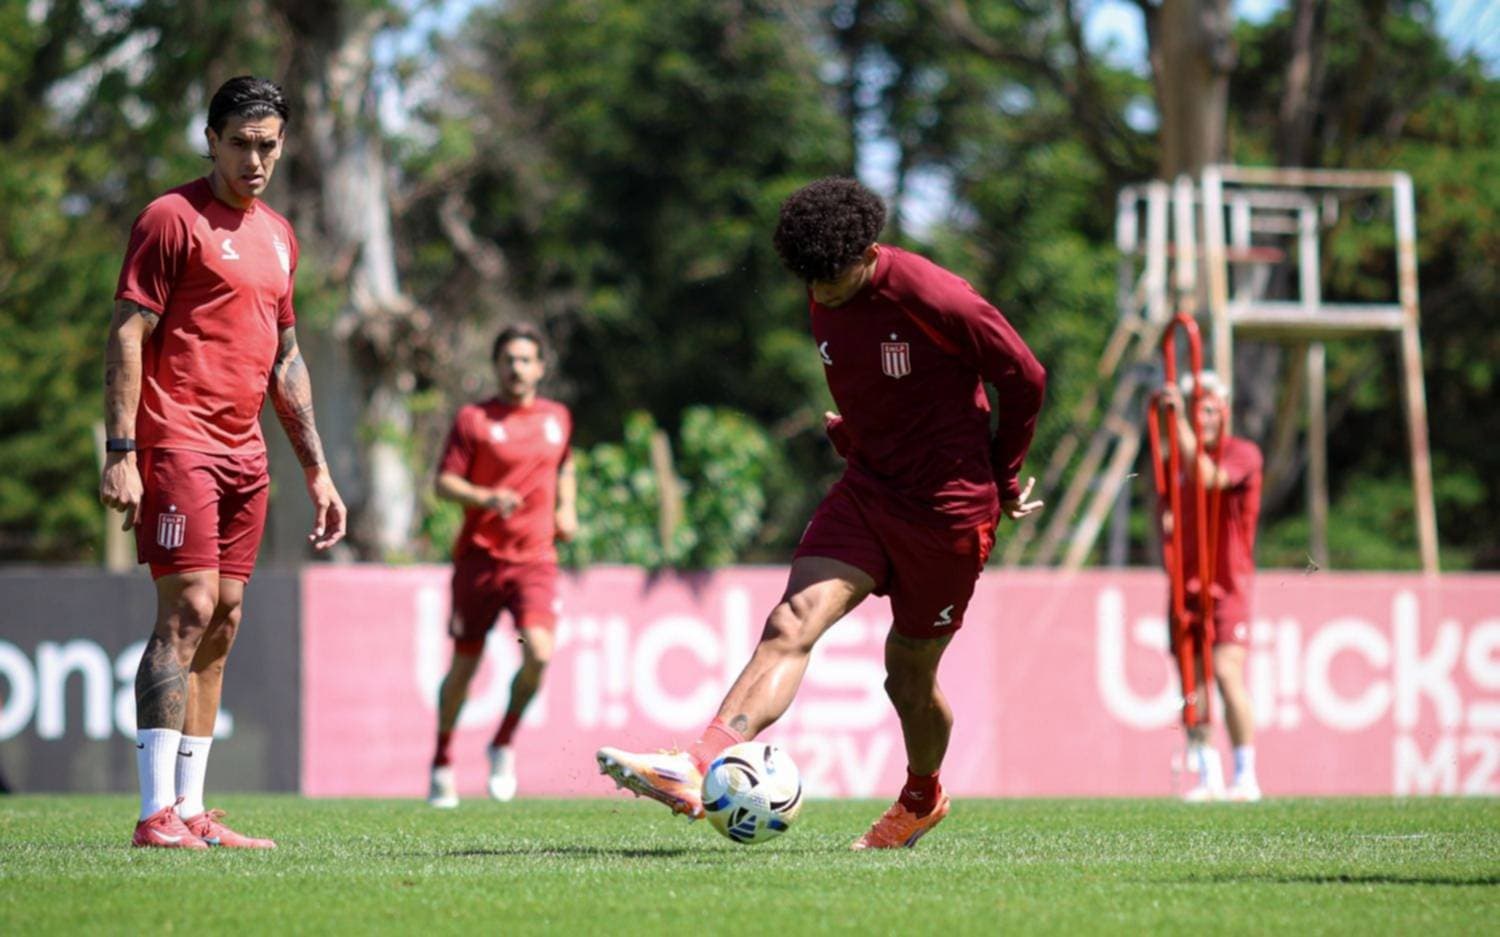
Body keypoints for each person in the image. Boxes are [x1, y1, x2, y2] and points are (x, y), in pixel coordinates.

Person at [596, 177, 1046, 849]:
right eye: (810, 282)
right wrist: (858, 433)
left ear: (867, 250)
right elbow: (884, 387)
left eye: (833, 279)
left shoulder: (933, 294)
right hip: (868, 491)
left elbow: (1025, 376)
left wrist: (1003, 473)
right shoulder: (822, 288)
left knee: (908, 676)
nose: (822, 294)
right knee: (790, 621)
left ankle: (922, 797)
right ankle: (695, 763)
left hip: (948, 511)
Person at [100, 76, 346, 849]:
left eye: (268, 144)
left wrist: (318, 470)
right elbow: (127, 333)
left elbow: (288, 358)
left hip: (247, 454)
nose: (255, 158)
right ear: (210, 138)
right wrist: (120, 451)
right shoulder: (169, 219)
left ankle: (193, 809)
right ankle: (151, 814)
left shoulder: (278, 234)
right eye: (240, 142)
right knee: (188, 610)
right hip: (178, 443)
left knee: (225, 621)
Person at [426, 324, 577, 808]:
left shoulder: (557, 418)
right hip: (480, 559)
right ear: (496, 366)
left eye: (526, 359)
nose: (517, 367)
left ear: (541, 367)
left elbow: (565, 464)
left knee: (539, 653)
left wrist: (566, 509)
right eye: (508, 358)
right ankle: (443, 758)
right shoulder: (474, 419)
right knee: (465, 668)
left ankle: (503, 742)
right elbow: (444, 483)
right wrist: (485, 497)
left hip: (535, 560)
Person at [1158, 371, 1263, 802]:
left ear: (1224, 409)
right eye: (1192, 406)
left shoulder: (1242, 453)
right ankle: (1208, 775)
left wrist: (1178, 421)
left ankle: (1245, 774)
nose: (1200, 416)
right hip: (1188, 583)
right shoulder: (1173, 461)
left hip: (1227, 583)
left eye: (1206, 407)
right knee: (1191, 680)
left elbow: (1208, 477)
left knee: (1225, 671)